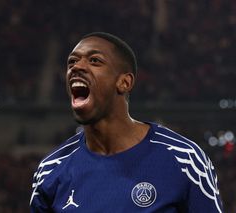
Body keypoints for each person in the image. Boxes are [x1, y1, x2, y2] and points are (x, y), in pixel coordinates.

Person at [30, 32, 223, 212]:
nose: (77, 67)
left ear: (125, 82)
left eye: (95, 61)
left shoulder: (185, 160)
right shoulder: (51, 169)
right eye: (71, 62)